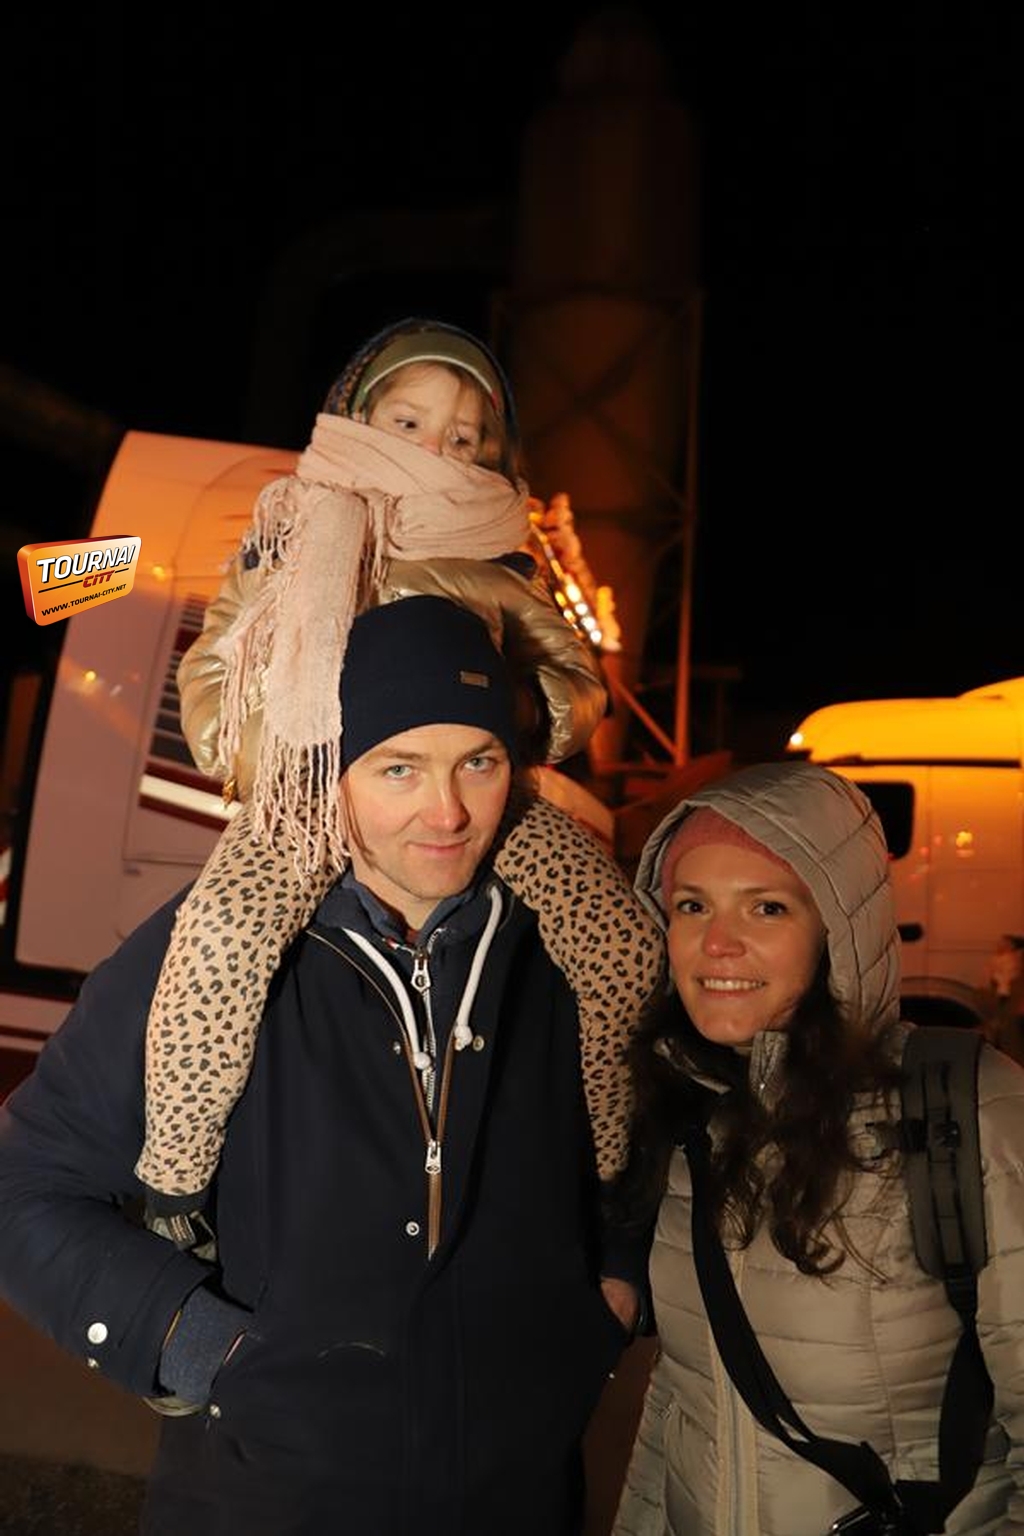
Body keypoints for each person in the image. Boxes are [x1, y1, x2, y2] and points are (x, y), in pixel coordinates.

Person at [0, 594, 648, 1536]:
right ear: (332, 774)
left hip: (515, 1502)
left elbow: (647, 1140)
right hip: (264, 1502)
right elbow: (23, 1185)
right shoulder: (213, 957)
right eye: (399, 768)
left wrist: (611, 1285)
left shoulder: (569, 960)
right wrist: (193, 1344)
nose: (447, 811)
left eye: (479, 761)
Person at [135, 316, 665, 1238]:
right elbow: (211, 682)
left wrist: (505, 705)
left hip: (483, 797)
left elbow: (576, 687)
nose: (434, 449)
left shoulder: (500, 556)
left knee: (619, 945)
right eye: (409, 422)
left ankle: (605, 1169)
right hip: (309, 800)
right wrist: (287, 748)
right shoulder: (288, 537)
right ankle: (175, 1189)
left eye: (463, 437)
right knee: (221, 936)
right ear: (358, 417)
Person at [610, 760, 1024, 1536]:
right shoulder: (690, 1119)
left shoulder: (971, 1109)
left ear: (838, 930)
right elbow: (681, 1402)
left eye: (766, 907)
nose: (717, 943)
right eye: (692, 905)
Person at [975, 933, 1024, 1068]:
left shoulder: (1017, 981)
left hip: (1015, 1051)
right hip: (1002, 1051)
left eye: (1005, 948)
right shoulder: (995, 981)